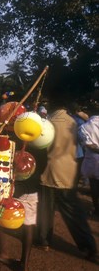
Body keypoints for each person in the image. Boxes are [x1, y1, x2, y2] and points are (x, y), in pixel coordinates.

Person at [38, 94, 97, 261]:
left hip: (49, 170)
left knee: (45, 209)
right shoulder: (74, 122)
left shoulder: (47, 123)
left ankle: (43, 240)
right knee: (73, 211)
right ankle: (87, 246)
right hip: (69, 171)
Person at [79, 104, 99, 218]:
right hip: (94, 156)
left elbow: (87, 144)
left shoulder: (84, 127)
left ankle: (96, 209)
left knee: (94, 184)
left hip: (93, 158)